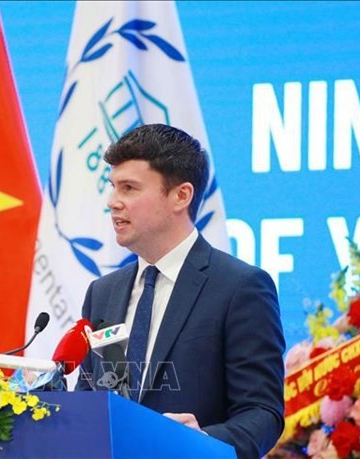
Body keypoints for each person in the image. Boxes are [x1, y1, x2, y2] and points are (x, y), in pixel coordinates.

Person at [75, 124, 285, 459]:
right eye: (113, 187)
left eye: (129, 188)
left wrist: (202, 441)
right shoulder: (103, 292)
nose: (113, 202)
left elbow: (262, 413)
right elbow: (93, 400)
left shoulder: (240, 287)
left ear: (181, 196)